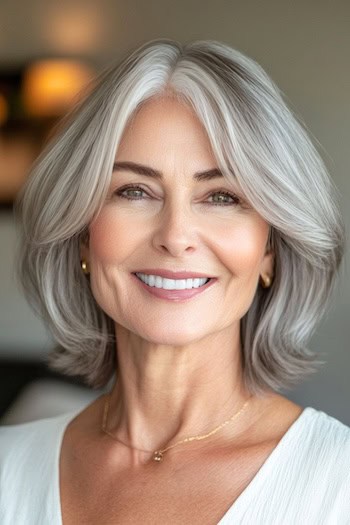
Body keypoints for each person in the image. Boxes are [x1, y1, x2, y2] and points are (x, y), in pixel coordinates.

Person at [0, 39, 349, 524]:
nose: (176, 236)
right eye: (134, 191)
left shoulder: (338, 484)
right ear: (82, 235)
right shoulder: (7, 469)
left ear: (270, 249)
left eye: (222, 196)